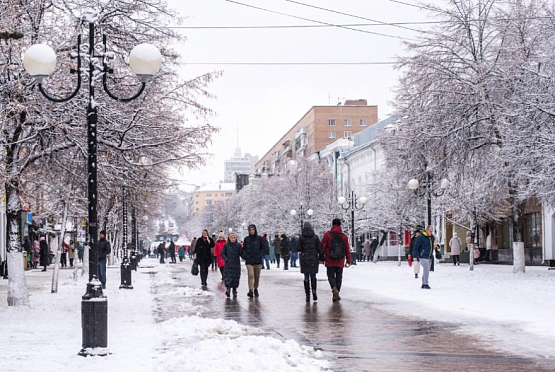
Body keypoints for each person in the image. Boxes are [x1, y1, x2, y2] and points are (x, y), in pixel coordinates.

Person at [321, 218, 351, 302]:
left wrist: (321, 257)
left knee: (330, 276)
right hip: (340, 259)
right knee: (339, 276)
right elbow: (347, 249)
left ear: (332, 224)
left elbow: (322, 246)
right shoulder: (344, 236)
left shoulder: (327, 234)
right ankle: (337, 291)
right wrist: (348, 260)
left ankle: (334, 289)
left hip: (330, 259)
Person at [297, 222, 323, 302]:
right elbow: (320, 248)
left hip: (305, 258)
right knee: (313, 276)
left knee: (306, 277)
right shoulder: (315, 237)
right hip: (313, 258)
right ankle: (314, 291)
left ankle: (307, 294)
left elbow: (298, 248)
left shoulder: (301, 237)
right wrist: (321, 258)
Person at [242, 224, 265, 298]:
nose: (251, 231)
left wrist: (260, 255)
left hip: (257, 260)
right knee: (251, 275)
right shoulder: (246, 239)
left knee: (257, 276)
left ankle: (255, 288)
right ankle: (250, 290)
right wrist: (245, 256)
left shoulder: (259, 239)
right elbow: (244, 249)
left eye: (253, 230)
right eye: (250, 230)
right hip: (249, 260)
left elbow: (263, 248)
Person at [413, 225, 435, 289]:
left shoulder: (432, 237)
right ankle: (425, 283)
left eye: (432, 231)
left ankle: (423, 283)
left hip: (429, 256)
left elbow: (433, 245)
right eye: (430, 231)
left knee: (427, 270)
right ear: (427, 230)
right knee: (426, 269)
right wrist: (415, 256)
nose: (431, 232)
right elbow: (416, 246)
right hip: (422, 256)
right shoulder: (421, 237)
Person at [221, 232, 242, 297]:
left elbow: (241, 253)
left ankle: (234, 290)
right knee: (228, 277)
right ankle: (228, 289)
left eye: (234, 237)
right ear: (229, 238)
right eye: (231, 238)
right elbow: (222, 254)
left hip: (236, 264)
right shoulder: (226, 246)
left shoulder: (238, 245)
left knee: (236, 277)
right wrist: (226, 259)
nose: (233, 239)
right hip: (228, 264)